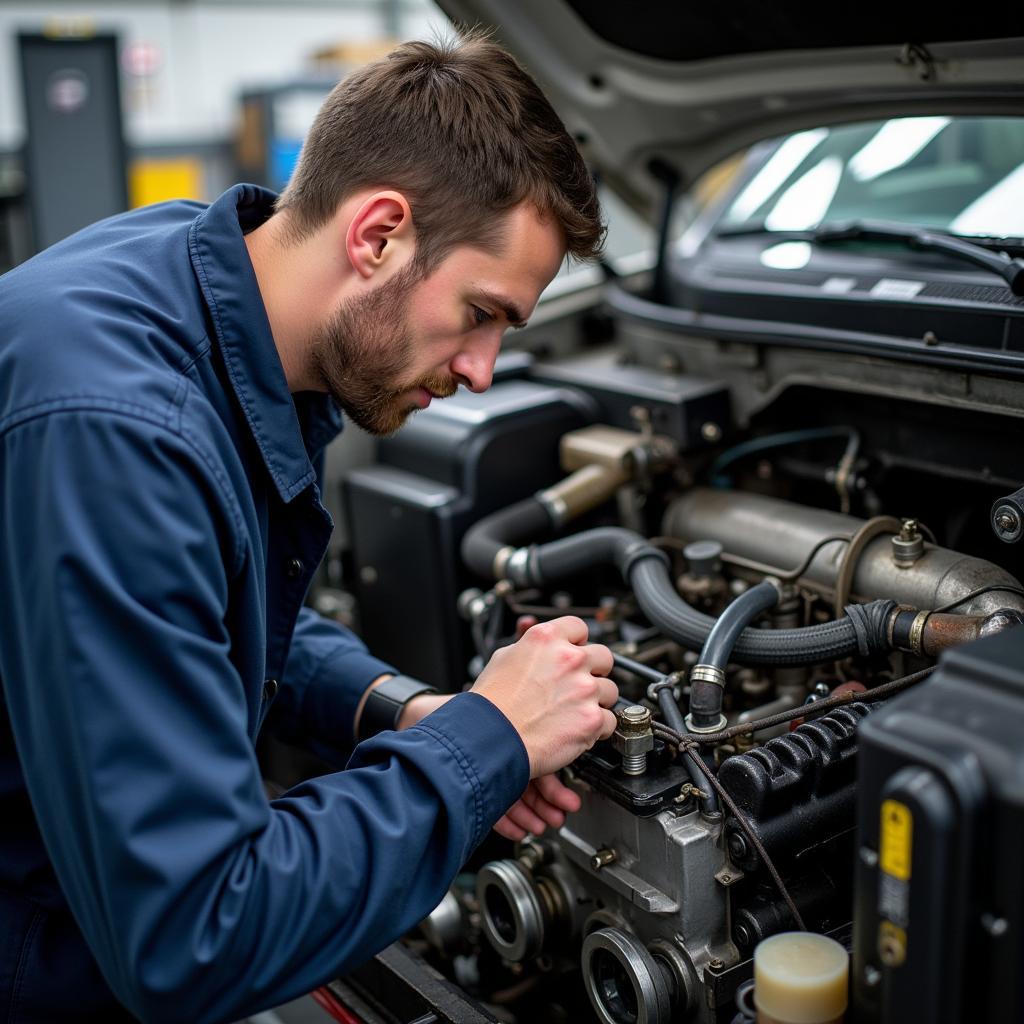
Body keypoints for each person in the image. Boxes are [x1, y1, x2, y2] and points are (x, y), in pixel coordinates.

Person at [0, 32, 617, 1024]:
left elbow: (217, 612)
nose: (480, 370)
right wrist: (480, 745)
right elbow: (195, 940)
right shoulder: (120, 434)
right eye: (479, 312)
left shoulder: (210, 285)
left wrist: (404, 710)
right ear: (376, 235)